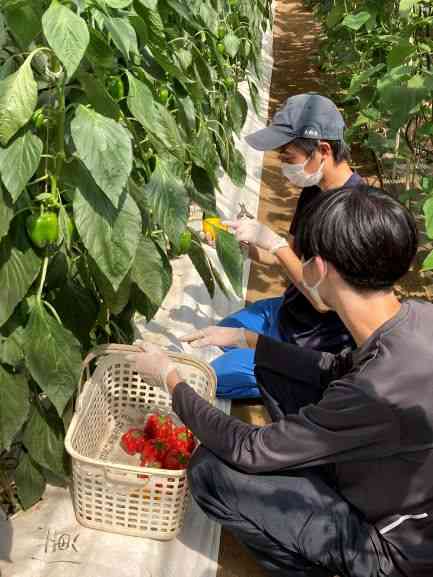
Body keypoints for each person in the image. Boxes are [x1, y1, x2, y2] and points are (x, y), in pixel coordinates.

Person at [128, 186, 433, 577]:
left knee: (210, 469)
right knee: (276, 368)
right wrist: (249, 340)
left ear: (319, 269)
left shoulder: (376, 390)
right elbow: (338, 367)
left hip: (391, 554)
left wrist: (170, 380)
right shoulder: (417, 317)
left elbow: (249, 449)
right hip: (397, 487)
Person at [211, 92, 363, 399]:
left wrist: (273, 242)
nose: (282, 165)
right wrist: (240, 242)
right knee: (216, 334)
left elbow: (323, 300)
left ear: (322, 150)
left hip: (315, 342)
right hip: (287, 312)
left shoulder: (353, 214)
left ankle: (294, 377)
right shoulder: (314, 189)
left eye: (287, 156)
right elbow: (290, 257)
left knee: (214, 375)